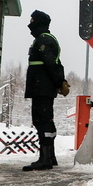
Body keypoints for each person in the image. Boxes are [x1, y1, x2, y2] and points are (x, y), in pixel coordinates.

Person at [23, 10, 66, 171]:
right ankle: (50, 156)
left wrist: (59, 82)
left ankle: (45, 159)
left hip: (41, 88)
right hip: (42, 87)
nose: (30, 24)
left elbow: (51, 64)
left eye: (32, 21)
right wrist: (59, 81)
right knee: (46, 120)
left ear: (39, 22)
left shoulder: (44, 40)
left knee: (42, 121)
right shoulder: (45, 39)